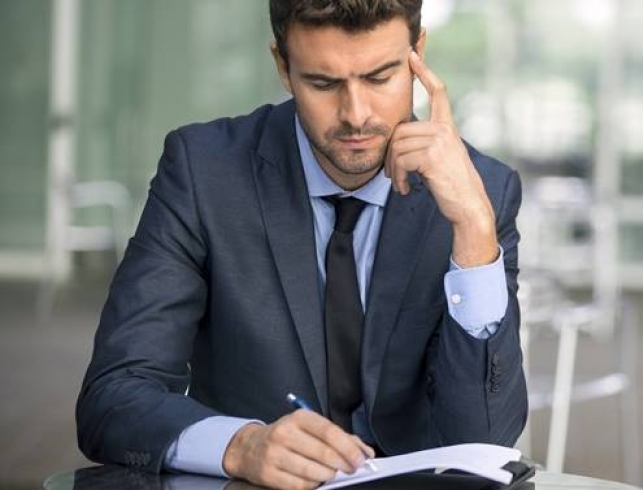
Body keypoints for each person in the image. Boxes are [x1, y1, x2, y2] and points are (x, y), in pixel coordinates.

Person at [76, 1, 526, 489]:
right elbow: (114, 395)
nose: (356, 116)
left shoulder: (483, 194)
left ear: (418, 55)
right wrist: (239, 445)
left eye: (379, 78)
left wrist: (475, 233)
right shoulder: (203, 174)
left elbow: (486, 438)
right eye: (324, 83)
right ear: (282, 67)